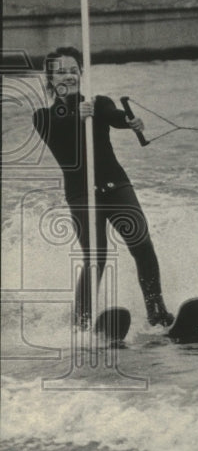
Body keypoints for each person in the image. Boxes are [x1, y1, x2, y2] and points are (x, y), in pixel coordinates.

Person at [32, 47, 174, 329]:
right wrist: (77, 115)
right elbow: (59, 128)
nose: (69, 76)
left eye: (74, 70)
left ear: (81, 73)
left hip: (115, 184)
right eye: (61, 72)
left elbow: (113, 114)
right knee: (96, 257)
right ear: (50, 79)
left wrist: (129, 121)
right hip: (81, 193)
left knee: (142, 244)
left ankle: (157, 313)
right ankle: (81, 324)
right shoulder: (42, 117)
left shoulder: (98, 103)